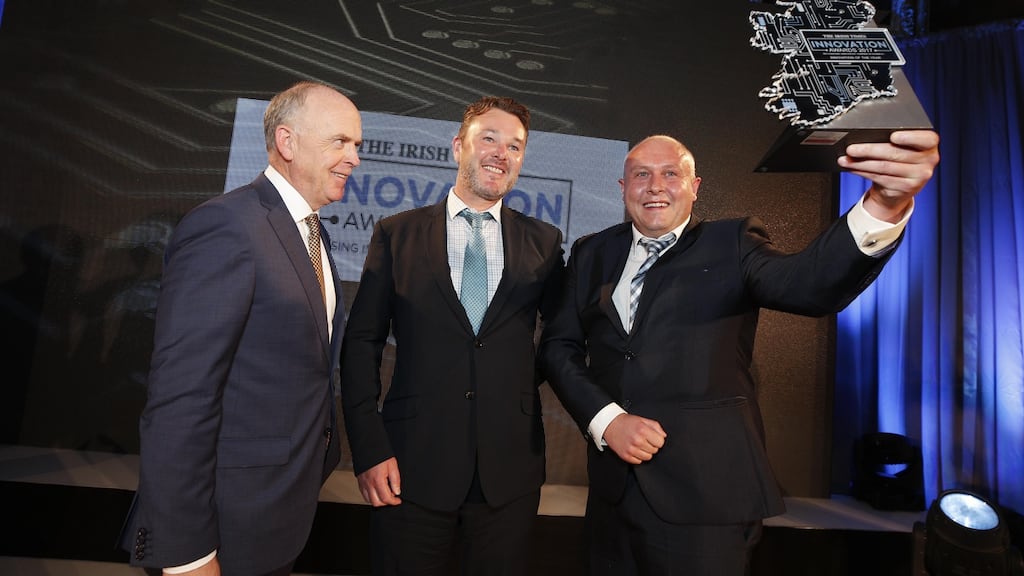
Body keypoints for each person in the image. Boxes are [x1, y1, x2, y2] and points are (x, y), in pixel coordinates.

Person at [538, 131, 940, 576]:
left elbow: (809, 285)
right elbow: (559, 347)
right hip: (611, 498)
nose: (655, 186)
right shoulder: (591, 251)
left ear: (695, 187)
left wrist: (883, 204)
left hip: (707, 497)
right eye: (641, 175)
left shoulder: (732, 242)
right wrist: (607, 420)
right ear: (622, 187)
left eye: (671, 174)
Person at [119, 81, 362, 576]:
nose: (354, 158)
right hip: (220, 523)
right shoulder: (226, 226)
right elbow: (182, 396)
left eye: (357, 144)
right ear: (287, 142)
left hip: (276, 514)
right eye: (340, 141)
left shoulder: (312, 232)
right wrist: (186, 554)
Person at [340, 96, 565, 575]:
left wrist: (516, 382)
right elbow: (361, 344)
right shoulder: (396, 234)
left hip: (509, 473)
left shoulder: (544, 242)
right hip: (409, 466)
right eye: (489, 139)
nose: (501, 153)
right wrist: (369, 448)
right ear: (458, 146)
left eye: (515, 146)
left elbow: (563, 339)